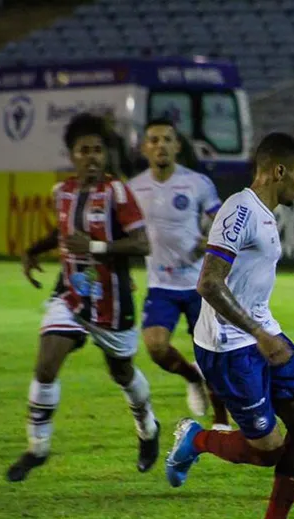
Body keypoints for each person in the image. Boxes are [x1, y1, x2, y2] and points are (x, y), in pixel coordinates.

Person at [164, 132, 294, 519]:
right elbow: (209, 284)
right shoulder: (240, 210)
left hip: (261, 332)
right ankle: (196, 440)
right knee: (269, 448)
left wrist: (263, 331)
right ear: (279, 171)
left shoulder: (266, 213)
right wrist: (257, 335)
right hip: (229, 346)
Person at [7, 113, 160, 482]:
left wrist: (93, 245)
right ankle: (37, 448)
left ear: (106, 156)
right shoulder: (62, 192)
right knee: (46, 364)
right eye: (84, 150)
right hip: (72, 294)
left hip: (113, 300)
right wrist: (32, 250)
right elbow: (61, 232)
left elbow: (142, 244)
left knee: (121, 372)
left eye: (98, 150)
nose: (92, 156)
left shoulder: (118, 192)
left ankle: (148, 427)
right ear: (72, 155)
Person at [129, 118, 230, 429]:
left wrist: (210, 243)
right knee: (156, 348)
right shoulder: (133, 189)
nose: (161, 145)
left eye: (167, 139)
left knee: (212, 352)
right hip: (161, 285)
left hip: (199, 284)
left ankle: (221, 421)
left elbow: (224, 221)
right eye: (154, 140)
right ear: (145, 147)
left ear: (177, 146)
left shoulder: (197, 183)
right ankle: (191, 377)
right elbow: (122, 234)